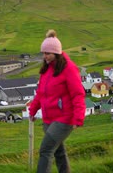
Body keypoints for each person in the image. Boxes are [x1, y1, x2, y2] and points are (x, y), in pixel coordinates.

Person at [29, 29, 86, 173]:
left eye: (47, 53)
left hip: (64, 118)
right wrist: (33, 110)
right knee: (58, 152)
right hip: (49, 118)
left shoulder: (69, 69)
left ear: (56, 53)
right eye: (43, 53)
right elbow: (41, 93)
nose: (45, 56)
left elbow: (78, 94)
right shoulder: (47, 69)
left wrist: (78, 118)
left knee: (45, 150)